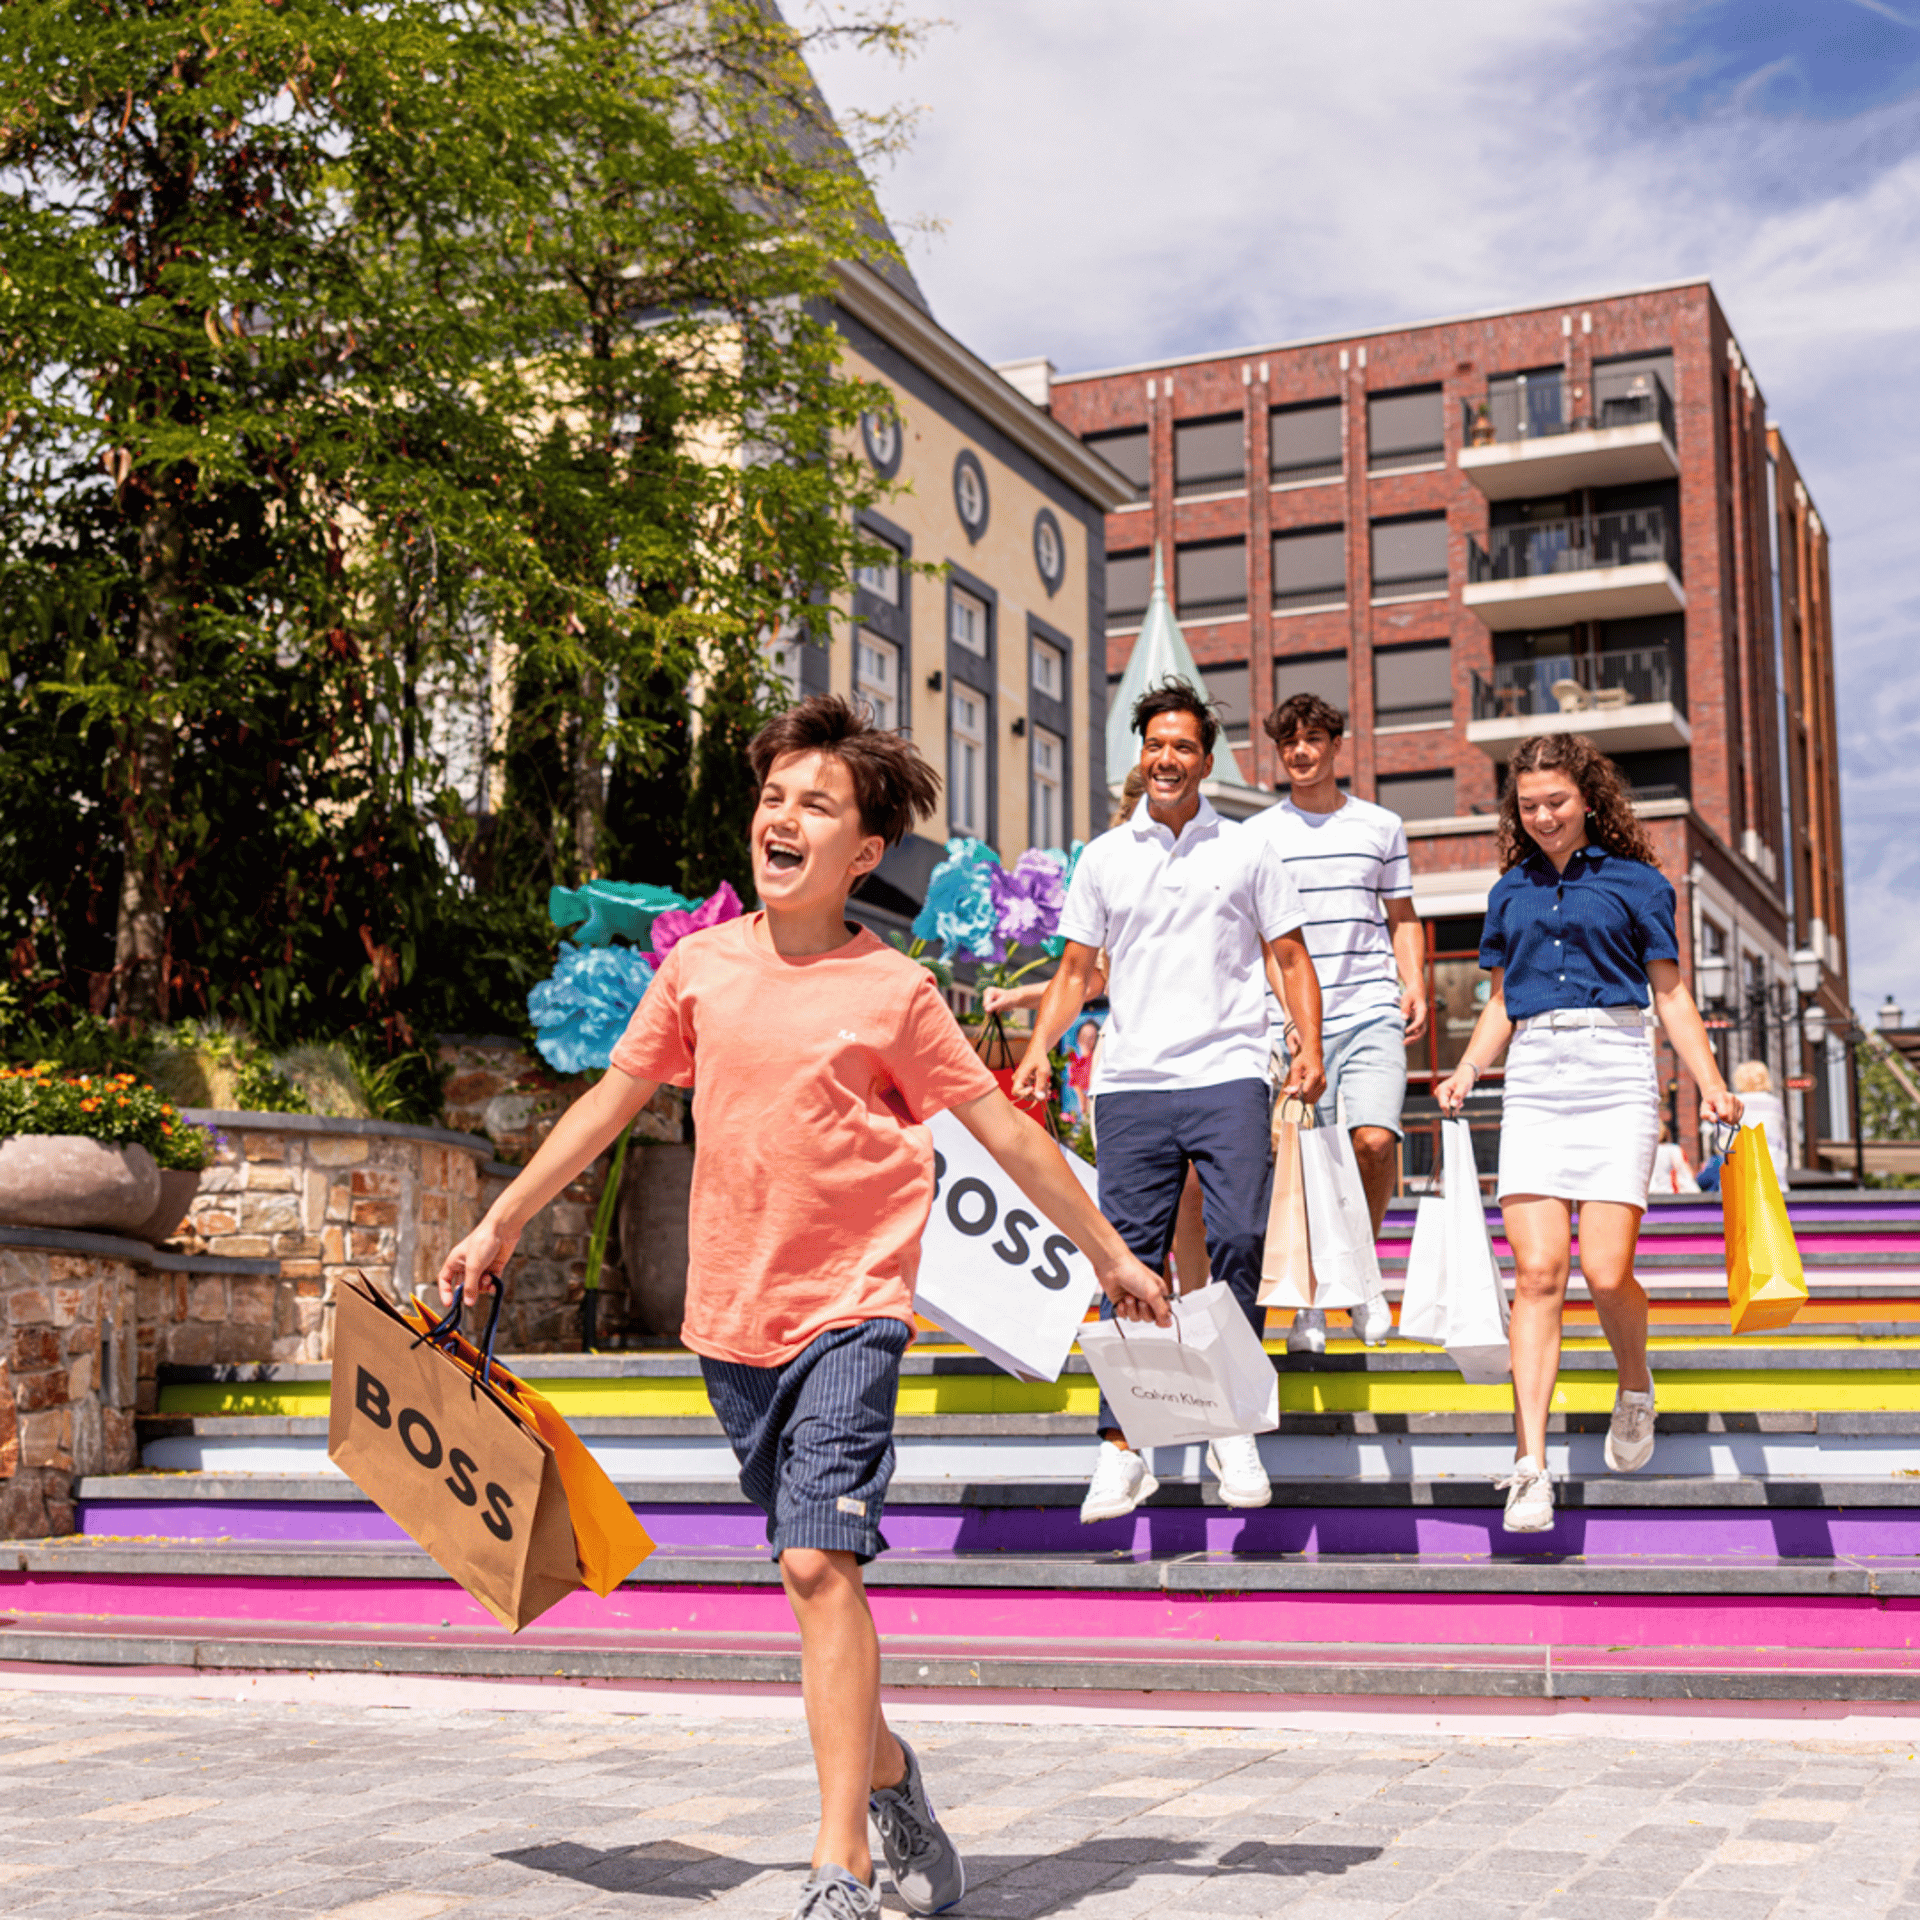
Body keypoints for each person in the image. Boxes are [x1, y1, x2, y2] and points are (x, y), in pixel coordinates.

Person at [437, 694, 1171, 1920]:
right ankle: (890, 1779)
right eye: (773, 798)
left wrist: (1109, 1254)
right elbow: (611, 1102)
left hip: (853, 1309)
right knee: (810, 1577)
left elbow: (1002, 1132)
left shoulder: (895, 992)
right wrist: (500, 1220)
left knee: (817, 1559)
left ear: (864, 852)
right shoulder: (698, 969)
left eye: (815, 805)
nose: (782, 817)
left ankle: (840, 1865)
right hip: (732, 1322)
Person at [1012, 676, 1326, 1523]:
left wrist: (1310, 1044)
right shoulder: (1105, 856)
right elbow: (1075, 971)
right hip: (1133, 1084)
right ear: (1141, 756)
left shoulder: (1250, 849)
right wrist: (1040, 1047)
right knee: (1129, 1263)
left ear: (1205, 760)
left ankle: (1232, 1424)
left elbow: (1290, 958)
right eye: (1155, 745)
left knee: (1240, 1237)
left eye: (1182, 746)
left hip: (1228, 1071)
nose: (1166, 758)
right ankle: (1123, 1448)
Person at [1435, 733, 1741, 1534]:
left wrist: (1711, 1084)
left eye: (1556, 802)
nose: (1542, 817)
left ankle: (1634, 1383)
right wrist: (1468, 1067)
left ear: (1589, 800)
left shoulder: (1639, 883)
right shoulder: (1510, 891)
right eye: (1529, 805)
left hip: (1615, 1070)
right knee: (1538, 1274)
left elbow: (1670, 996)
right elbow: (1502, 1001)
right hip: (1536, 1076)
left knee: (1606, 1273)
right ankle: (1529, 1467)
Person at [982, 766, 1211, 1293]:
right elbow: (1085, 977)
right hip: (1129, 1060)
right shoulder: (1112, 872)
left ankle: (1195, 1305)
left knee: (1192, 1193)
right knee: (1144, 1202)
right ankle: (1151, 1305)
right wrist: (1018, 999)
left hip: (1200, 1054)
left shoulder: (1200, 869)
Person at [1247, 692, 1430, 1352]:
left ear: (1335, 746)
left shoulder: (1381, 825)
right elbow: (1264, 939)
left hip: (1372, 1005)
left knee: (1374, 1142)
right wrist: (1289, 1018)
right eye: (1288, 742)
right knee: (1312, 1163)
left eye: (1312, 740)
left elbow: (1402, 917)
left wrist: (1415, 982)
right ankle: (1314, 1300)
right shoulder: (1258, 835)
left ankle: (1360, 1277)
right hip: (1300, 1020)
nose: (1300, 752)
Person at [1732, 1059, 1792, 1188]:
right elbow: (1781, 1136)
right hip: (1772, 1161)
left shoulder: (1735, 1102)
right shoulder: (1774, 1103)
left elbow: (1725, 1138)